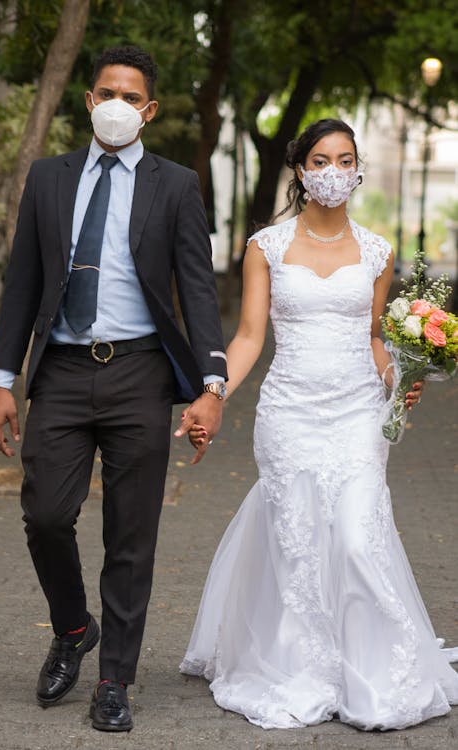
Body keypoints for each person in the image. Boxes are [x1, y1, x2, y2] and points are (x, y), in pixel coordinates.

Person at [178, 119, 458, 730]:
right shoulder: (267, 247)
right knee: (300, 542)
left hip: (360, 409)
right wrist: (214, 392)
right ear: (301, 170)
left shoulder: (380, 252)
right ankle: (302, 667)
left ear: (357, 170)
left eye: (346, 160)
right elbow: (251, 336)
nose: (334, 171)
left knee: (359, 536)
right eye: (321, 160)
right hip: (290, 412)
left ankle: (373, 670)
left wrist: (400, 377)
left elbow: (374, 338)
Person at [0, 46, 227, 733]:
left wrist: (212, 384)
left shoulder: (174, 184)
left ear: (148, 110)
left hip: (140, 374)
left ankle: (115, 678)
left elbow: (198, 290)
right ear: (89, 100)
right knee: (47, 514)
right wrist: (4, 380)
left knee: (131, 534)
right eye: (105, 92)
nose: (116, 104)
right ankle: (72, 629)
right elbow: (24, 284)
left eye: (131, 95)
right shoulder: (49, 177)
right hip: (60, 370)